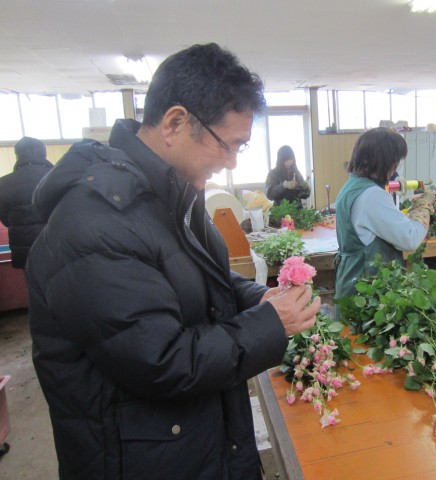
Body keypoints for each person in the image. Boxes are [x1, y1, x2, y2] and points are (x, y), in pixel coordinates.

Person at [25, 43, 320, 480]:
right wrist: (268, 324)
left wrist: (262, 297)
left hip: (191, 439)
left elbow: (203, 284)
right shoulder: (95, 223)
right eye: (229, 145)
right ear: (176, 123)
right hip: (141, 458)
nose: (232, 162)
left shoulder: (172, 194)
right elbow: (162, 362)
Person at [334, 127, 429, 310]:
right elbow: (410, 238)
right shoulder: (372, 195)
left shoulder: (352, 186)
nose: (396, 168)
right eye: (395, 162)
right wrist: (424, 206)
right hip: (367, 291)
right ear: (385, 161)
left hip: (352, 281)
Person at [0, 137, 53, 269]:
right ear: (44, 153)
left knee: (34, 286)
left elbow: (6, 220)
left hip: (25, 250)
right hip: (56, 245)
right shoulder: (57, 177)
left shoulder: (4, 183)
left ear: (17, 155)